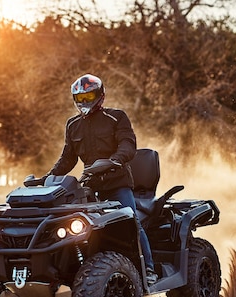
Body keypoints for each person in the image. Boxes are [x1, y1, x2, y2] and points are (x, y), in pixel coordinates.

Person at [47, 74, 158, 284]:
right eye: (80, 98)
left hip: (117, 184)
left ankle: (149, 269)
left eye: (89, 96)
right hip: (89, 188)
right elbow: (67, 158)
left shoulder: (117, 117)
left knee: (133, 223)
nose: (85, 101)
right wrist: (49, 177)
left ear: (101, 95)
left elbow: (128, 144)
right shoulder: (72, 125)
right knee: (75, 227)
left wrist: (114, 160)